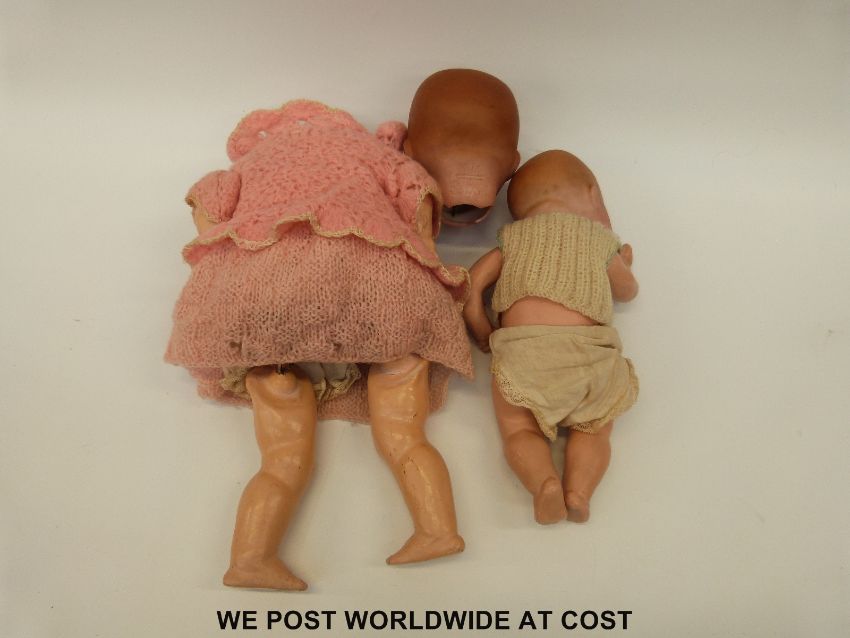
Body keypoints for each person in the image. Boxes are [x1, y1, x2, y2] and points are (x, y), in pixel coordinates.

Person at [463, 150, 639, 525]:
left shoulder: (511, 240)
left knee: (518, 430)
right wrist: (623, 262)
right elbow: (627, 292)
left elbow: (472, 289)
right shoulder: (599, 240)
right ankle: (579, 492)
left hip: (523, 355)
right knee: (594, 430)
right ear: (592, 195)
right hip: (589, 356)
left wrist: (482, 332)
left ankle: (543, 483)